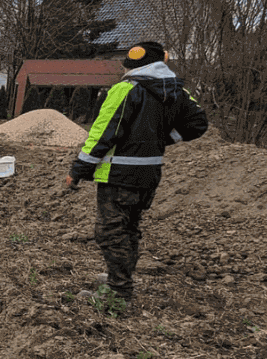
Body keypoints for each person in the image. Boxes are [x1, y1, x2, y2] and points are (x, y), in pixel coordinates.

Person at [66, 40, 208, 308]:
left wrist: (79, 170)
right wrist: (162, 140)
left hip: (118, 174)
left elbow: (103, 133)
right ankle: (119, 278)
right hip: (149, 174)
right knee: (130, 227)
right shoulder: (176, 90)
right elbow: (198, 123)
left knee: (111, 232)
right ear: (161, 61)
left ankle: (119, 292)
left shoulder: (126, 89)